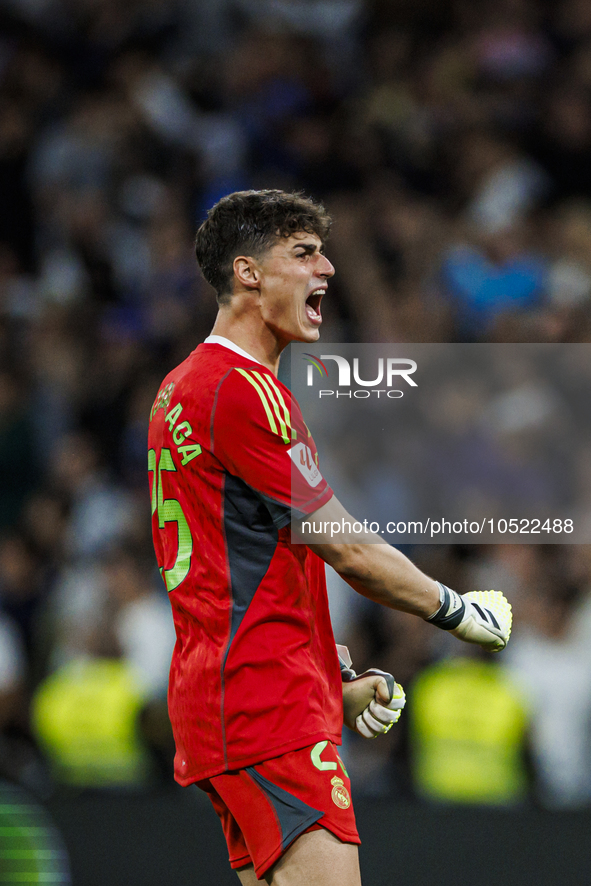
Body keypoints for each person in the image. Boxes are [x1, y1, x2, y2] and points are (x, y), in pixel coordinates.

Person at [147, 189, 512, 885]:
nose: (329, 269)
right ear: (249, 273)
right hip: (263, 709)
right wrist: (458, 611)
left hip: (237, 700)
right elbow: (345, 547)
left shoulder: (182, 387)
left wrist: (324, 673)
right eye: (304, 253)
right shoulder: (240, 389)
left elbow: (236, 563)